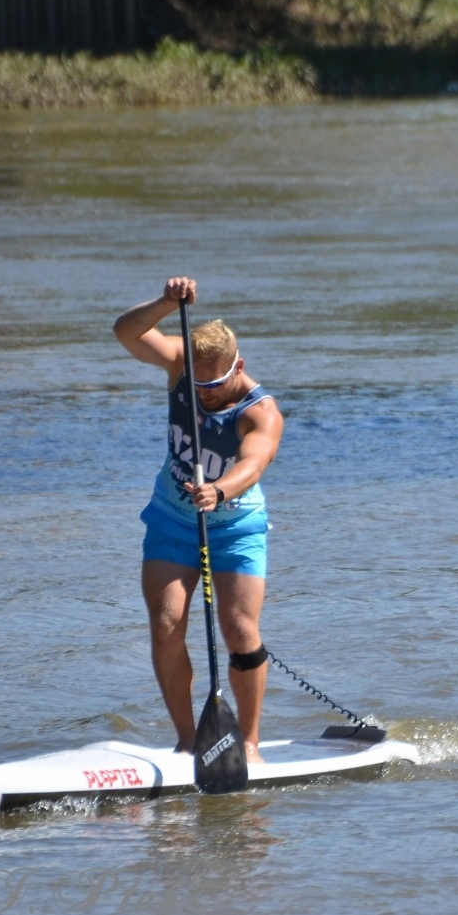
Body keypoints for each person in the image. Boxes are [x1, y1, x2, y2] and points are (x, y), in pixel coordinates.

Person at [113, 277, 283, 762]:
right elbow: (125, 332)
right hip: (171, 519)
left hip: (235, 524)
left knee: (239, 631)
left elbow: (254, 462)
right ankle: (188, 741)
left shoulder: (262, 412)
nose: (204, 393)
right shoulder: (180, 366)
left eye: (214, 384)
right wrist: (167, 303)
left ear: (239, 366)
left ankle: (248, 743)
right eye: (197, 384)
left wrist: (221, 489)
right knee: (167, 623)